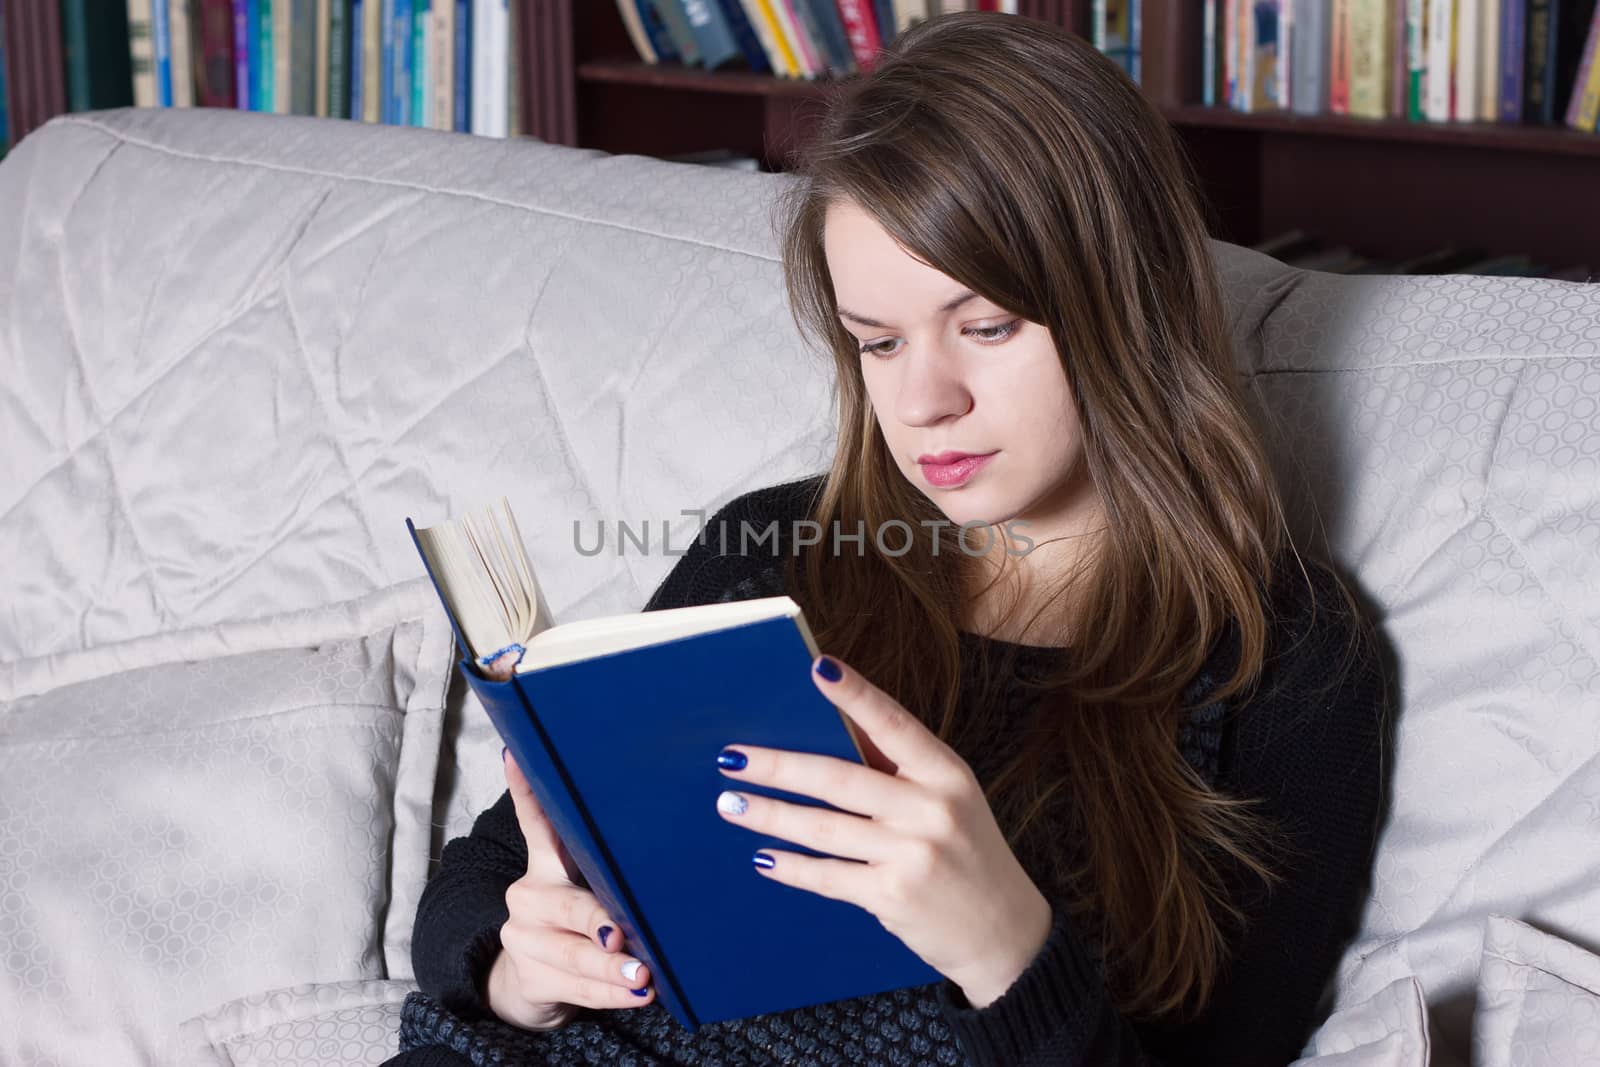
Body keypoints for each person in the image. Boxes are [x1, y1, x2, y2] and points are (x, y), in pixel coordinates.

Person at [386, 11, 1391, 1066]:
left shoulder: (1283, 658)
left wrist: (1005, 945)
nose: (923, 401)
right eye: (877, 340)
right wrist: (516, 963)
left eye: (987, 326)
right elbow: (488, 866)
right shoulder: (775, 547)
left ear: (1125, 302)